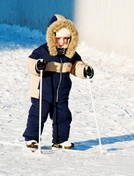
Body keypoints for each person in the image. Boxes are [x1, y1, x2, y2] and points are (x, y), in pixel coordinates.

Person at [23, 14, 94, 149]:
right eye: (59, 39)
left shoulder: (71, 54)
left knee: (62, 116)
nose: (62, 42)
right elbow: (30, 63)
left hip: (61, 93)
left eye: (66, 39)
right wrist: (38, 66)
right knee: (38, 115)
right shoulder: (43, 51)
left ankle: (60, 140)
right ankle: (32, 139)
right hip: (42, 92)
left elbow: (77, 66)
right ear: (52, 37)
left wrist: (84, 70)